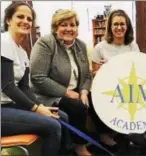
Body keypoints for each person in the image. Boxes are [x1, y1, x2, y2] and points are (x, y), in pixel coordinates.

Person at [1, 2, 69, 156]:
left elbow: (24, 87)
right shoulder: (3, 42)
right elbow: (8, 86)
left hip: (9, 106)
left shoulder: (22, 52)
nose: (25, 21)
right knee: (53, 126)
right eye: (20, 16)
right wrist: (37, 109)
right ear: (8, 20)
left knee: (61, 117)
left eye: (29, 19)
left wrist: (40, 106)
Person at [30, 9, 92, 156]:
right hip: (48, 95)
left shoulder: (81, 45)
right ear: (55, 28)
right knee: (77, 107)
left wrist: (84, 91)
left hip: (76, 92)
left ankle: (103, 137)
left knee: (93, 100)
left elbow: (87, 75)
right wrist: (66, 93)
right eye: (64, 25)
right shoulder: (46, 43)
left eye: (72, 25)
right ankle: (79, 146)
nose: (69, 29)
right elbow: (38, 77)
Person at [90, 9, 140, 149]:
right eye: (115, 24)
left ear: (127, 26)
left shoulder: (132, 46)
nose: (119, 27)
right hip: (107, 86)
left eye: (122, 24)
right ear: (110, 27)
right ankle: (104, 134)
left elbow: (139, 70)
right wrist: (103, 70)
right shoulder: (100, 47)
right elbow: (94, 74)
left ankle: (128, 130)